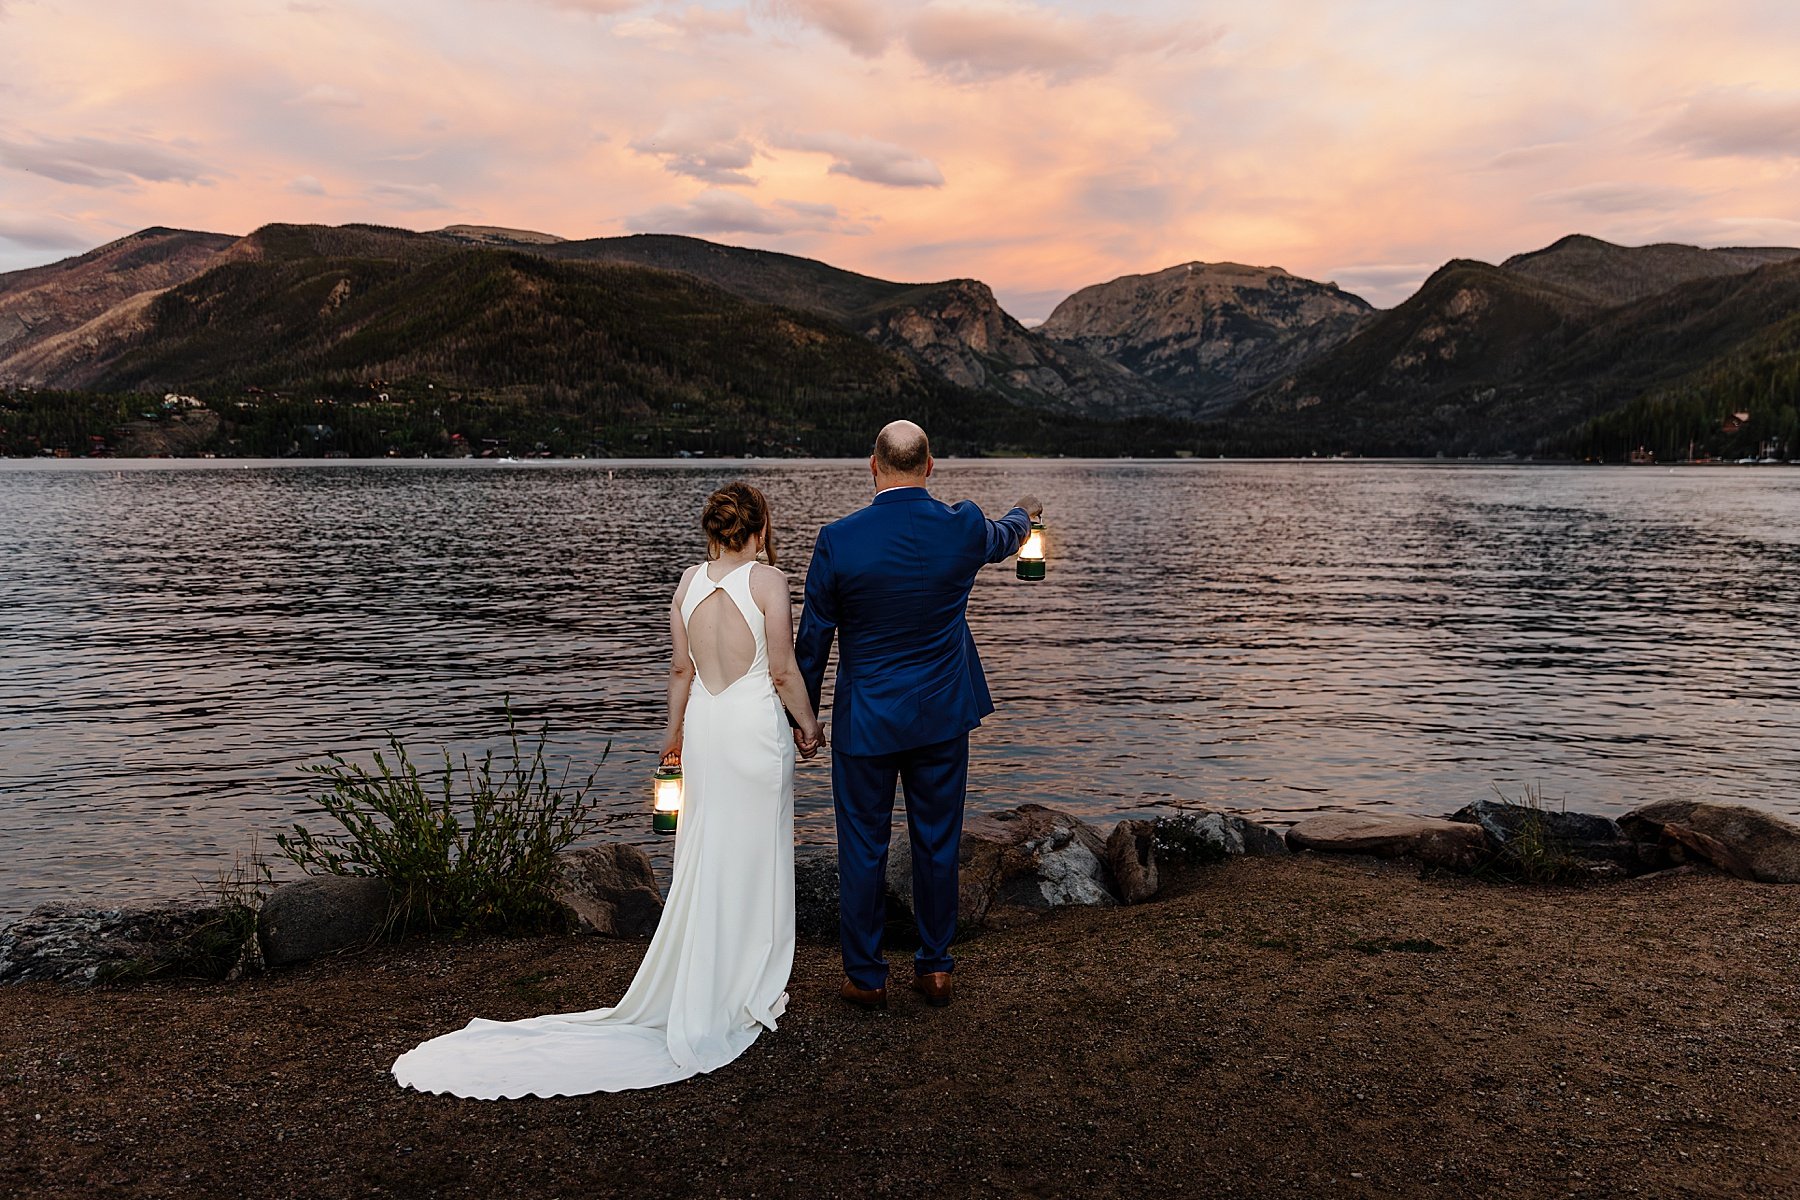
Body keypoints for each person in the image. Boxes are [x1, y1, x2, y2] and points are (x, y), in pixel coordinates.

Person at [391, 482, 823, 1098]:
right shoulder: (769, 582)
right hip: (754, 730)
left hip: (705, 726)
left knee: (703, 855)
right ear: (758, 529)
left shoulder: (686, 584)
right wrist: (808, 727)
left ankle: (710, 976)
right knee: (756, 853)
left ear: (712, 530)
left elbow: (681, 671)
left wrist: (672, 740)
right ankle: (747, 982)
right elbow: (782, 669)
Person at [795, 420, 1040, 1009]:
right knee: (936, 842)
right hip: (940, 716)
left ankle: (866, 976)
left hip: (867, 721)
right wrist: (1027, 512)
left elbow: (813, 642)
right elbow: (1007, 535)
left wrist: (801, 719)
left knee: (862, 847)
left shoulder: (838, 539)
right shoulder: (960, 526)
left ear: (872, 465)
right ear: (930, 467)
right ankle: (934, 969)